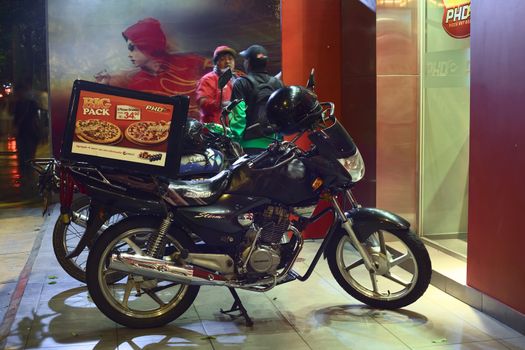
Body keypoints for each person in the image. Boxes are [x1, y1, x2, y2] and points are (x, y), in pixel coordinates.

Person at [95, 18, 211, 118]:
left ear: (147, 46)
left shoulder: (190, 62)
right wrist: (104, 86)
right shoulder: (137, 83)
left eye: (132, 48)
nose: (129, 54)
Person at [229, 44, 283, 154]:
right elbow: (282, 114)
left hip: (249, 145)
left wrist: (235, 141)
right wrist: (279, 138)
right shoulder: (278, 83)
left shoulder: (241, 83)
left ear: (248, 63)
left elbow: (238, 115)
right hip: (274, 144)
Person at [195, 45, 237, 124]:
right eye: (222, 59)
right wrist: (221, 104)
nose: (227, 61)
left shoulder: (237, 79)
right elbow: (202, 102)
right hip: (214, 129)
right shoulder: (207, 79)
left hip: (233, 129)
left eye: (230, 59)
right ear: (216, 63)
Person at [12, 81, 40, 179]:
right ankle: (26, 176)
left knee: (27, 155)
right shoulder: (28, 103)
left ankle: (26, 176)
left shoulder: (29, 104)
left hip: (29, 133)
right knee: (25, 156)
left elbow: (17, 120)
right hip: (26, 133)